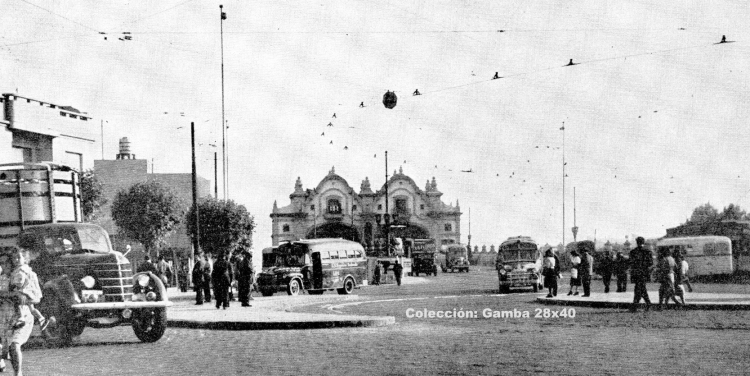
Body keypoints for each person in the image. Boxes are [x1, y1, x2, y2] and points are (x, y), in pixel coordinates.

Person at [0, 250, 38, 376]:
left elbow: (35, 297)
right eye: (1, 263)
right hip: (5, 317)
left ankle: (18, 374)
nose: (3, 266)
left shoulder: (22, 276)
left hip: (22, 318)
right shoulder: (2, 278)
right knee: (6, 347)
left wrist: (23, 296)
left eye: (6, 263)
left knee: (14, 345)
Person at [7, 250, 47, 332]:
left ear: (25, 259)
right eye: (14, 258)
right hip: (30, 292)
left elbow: (20, 281)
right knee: (31, 308)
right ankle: (41, 318)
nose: (16, 260)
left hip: (25, 292)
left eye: (19, 257)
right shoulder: (26, 268)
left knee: (17, 301)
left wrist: (15, 285)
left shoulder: (21, 270)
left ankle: (21, 318)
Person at [629, 237, 653, 312]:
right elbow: (651, 263)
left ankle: (635, 305)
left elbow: (630, 263)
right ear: (644, 242)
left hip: (636, 273)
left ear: (636, 242)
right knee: (641, 288)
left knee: (639, 288)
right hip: (644, 273)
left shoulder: (633, 252)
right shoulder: (648, 252)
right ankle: (646, 303)